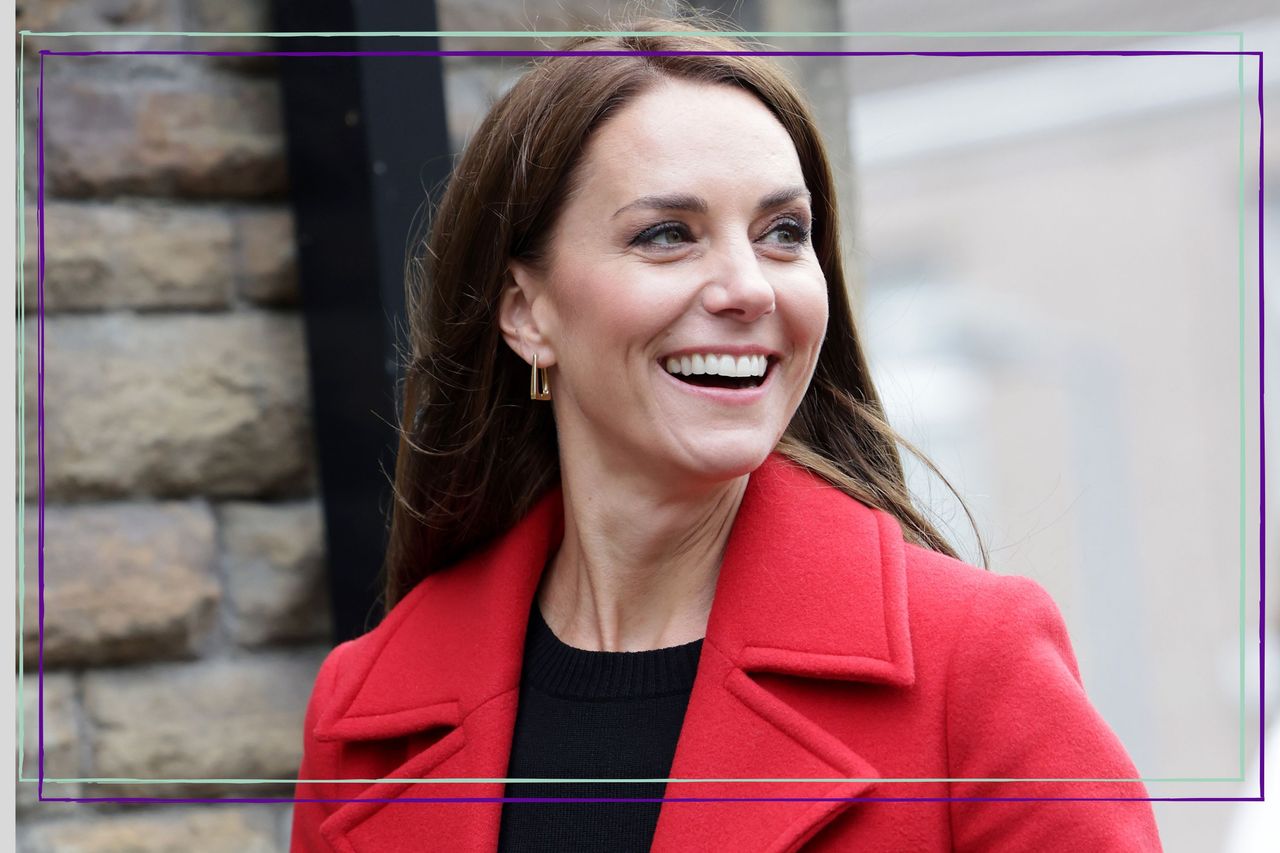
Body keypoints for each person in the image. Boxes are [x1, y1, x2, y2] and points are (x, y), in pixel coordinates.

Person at [290, 18, 1163, 852]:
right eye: (668, 235)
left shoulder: (974, 663)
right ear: (527, 312)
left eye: (784, 233)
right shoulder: (369, 711)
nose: (749, 287)